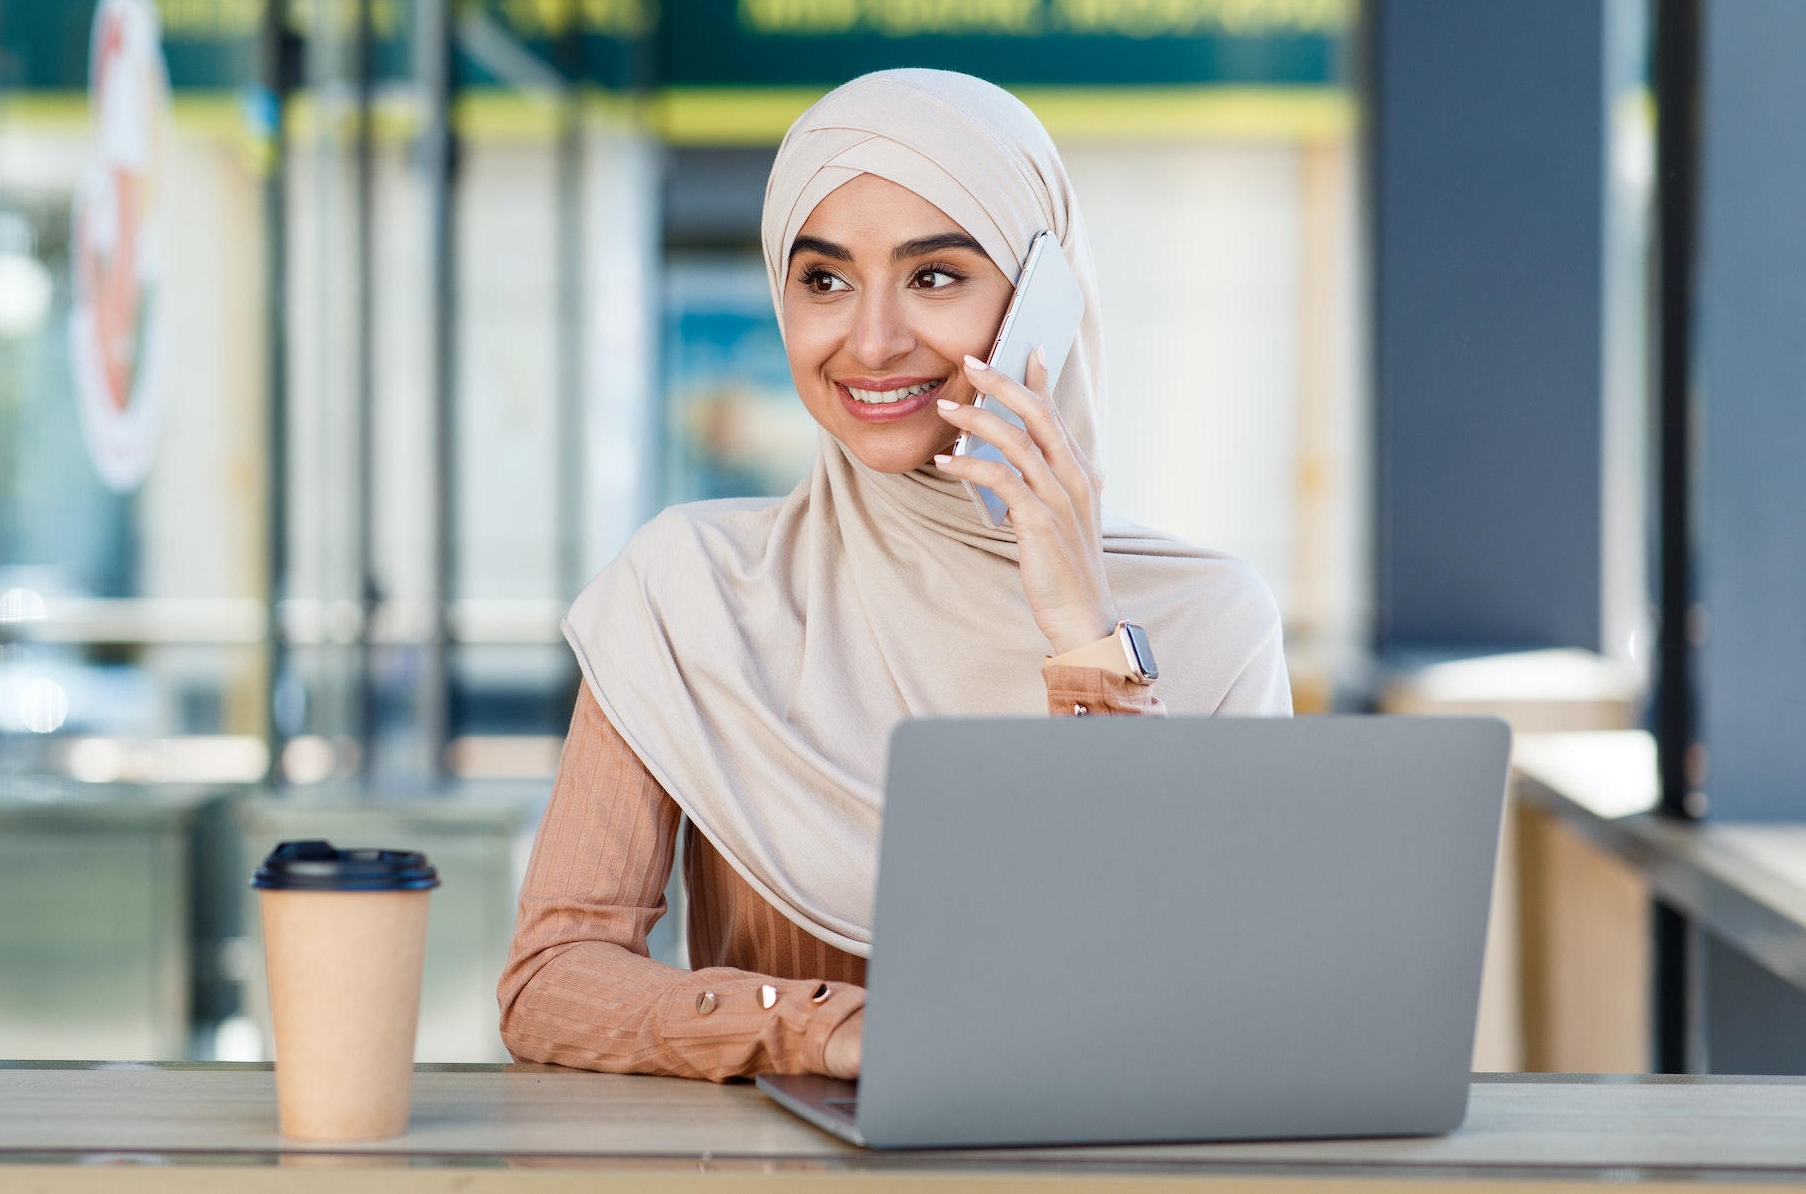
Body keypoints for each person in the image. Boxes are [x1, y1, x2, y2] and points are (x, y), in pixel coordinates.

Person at [498, 68, 1291, 1083]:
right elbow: (550, 983)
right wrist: (819, 1027)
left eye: (934, 276)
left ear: (1041, 304)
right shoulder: (688, 588)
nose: (870, 342)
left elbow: (1211, 1008)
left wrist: (1085, 639)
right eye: (823, 280)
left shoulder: (1208, 622)